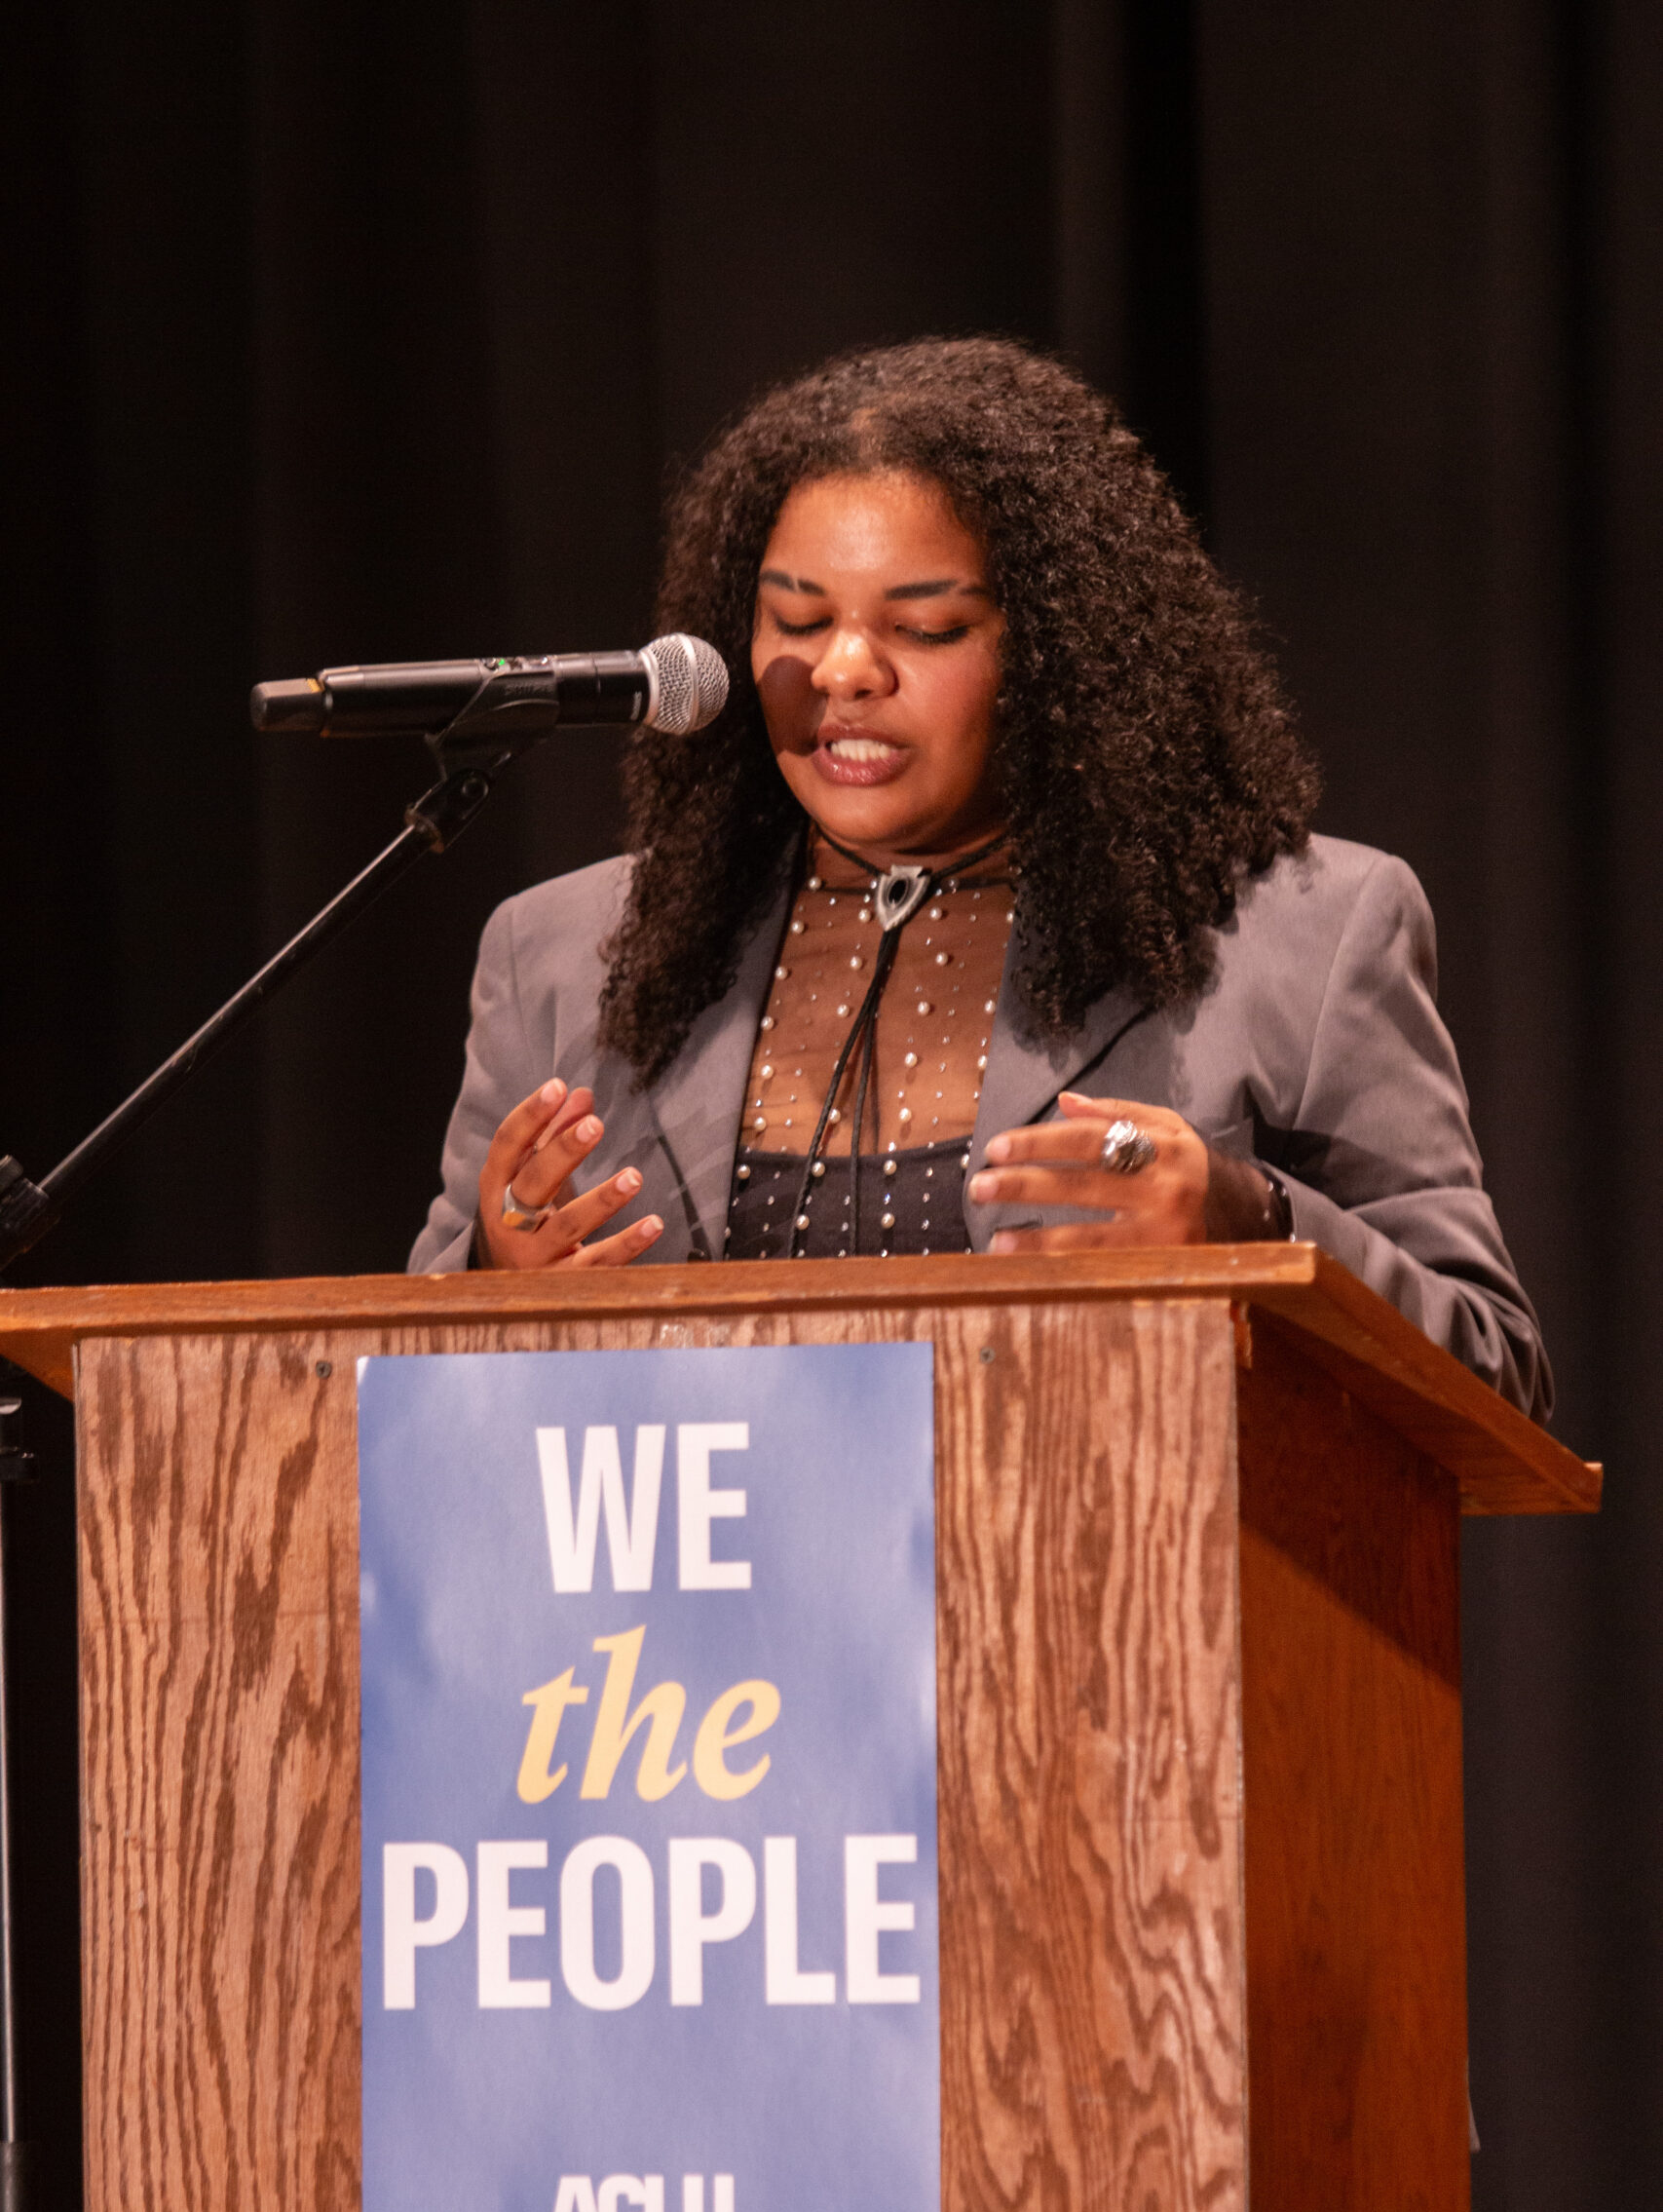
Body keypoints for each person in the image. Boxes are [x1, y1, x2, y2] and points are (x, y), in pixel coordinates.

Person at [409, 337, 1549, 1421]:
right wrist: (489, 1286)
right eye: (796, 618)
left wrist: (1252, 1222)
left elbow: (1492, 1370)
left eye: (929, 627)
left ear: (1056, 654)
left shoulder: (1301, 936)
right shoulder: (559, 951)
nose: (844, 670)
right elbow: (404, 1405)